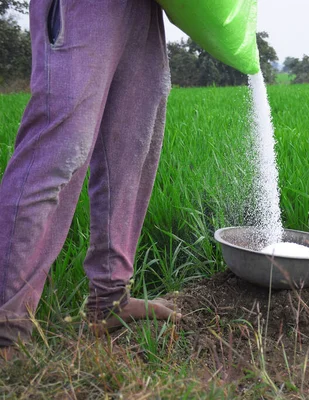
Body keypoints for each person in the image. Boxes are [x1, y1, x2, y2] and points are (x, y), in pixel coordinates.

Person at [0, 0, 182, 355]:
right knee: (59, 152)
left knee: (133, 151)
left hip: (145, 9)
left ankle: (109, 300)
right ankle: (6, 329)